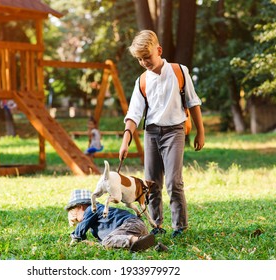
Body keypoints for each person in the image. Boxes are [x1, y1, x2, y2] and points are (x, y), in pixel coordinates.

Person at [119, 30, 205, 238]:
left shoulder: (179, 72)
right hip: (151, 133)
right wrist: (125, 141)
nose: (144, 62)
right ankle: (156, 224)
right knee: (151, 182)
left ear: (158, 50)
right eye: (140, 59)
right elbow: (134, 114)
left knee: (174, 182)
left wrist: (200, 132)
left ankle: (180, 227)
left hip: (175, 131)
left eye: (147, 56)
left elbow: (193, 103)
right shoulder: (142, 81)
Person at [65, 189, 156, 252]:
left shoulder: (92, 209)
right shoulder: (95, 228)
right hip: (134, 229)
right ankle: (156, 246)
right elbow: (111, 240)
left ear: (81, 207)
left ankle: (139, 240)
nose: (78, 221)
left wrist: (75, 239)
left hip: (130, 224)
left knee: (107, 240)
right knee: (109, 242)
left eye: (76, 217)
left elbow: (81, 229)